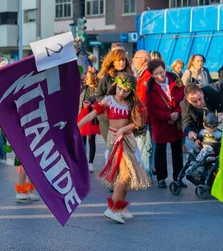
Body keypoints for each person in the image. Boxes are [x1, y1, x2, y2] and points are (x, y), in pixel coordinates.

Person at [78, 73, 151, 224]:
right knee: (124, 174)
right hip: (115, 139)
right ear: (115, 85)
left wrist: (123, 130)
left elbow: (137, 123)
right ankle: (113, 209)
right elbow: (92, 115)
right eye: (119, 88)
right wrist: (76, 127)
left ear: (131, 91)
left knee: (127, 175)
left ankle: (120, 207)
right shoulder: (109, 100)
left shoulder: (132, 104)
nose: (121, 92)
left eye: (125, 90)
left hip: (127, 138)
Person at [145, 59, 185, 189]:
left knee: (177, 150)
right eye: (156, 74)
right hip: (161, 123)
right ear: (152, 75)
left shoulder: (175, 80)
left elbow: (184, 99)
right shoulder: (150, 88)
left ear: (165, 68)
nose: (160, 75)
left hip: (176, 122)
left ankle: (178, 177)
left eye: (162, 72)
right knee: (160, 151)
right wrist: (167, 116)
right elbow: (150, 108)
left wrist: (177, 114)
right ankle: (161, 178)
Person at [96, 49, 134, 140]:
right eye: (119, 60)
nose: (122, 63)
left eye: (123, 60)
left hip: (125, 117)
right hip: (108, 118)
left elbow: (133, 94)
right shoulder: (106, 77)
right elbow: (99, 96)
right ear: (113, 62)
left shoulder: (129, 76)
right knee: (112, 146)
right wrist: (111, 101)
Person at [78, 70, 100, 173]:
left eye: (88, 77)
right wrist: (83, 106)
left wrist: (92, 105)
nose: (86, 79)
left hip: (93, 117)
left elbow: (100, 102)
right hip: (83, 116)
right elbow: (79, 101)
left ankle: (90, 163)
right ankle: (82, 162)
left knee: (91, 140)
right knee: (82, 141)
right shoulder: (84, 88)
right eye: (86, 77)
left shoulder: (97, 89)